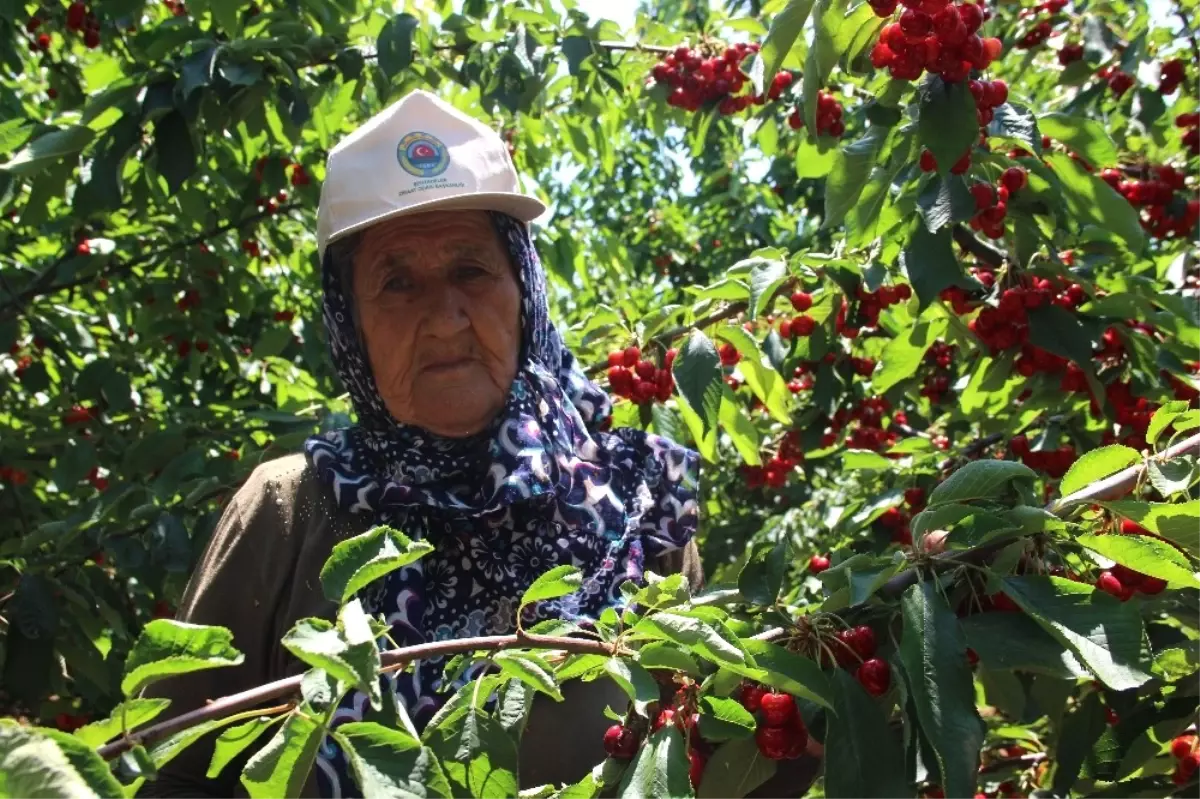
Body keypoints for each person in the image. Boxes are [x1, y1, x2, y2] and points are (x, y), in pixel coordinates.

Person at [138, 90, 704, 798]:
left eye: (471, 269)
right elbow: (177, 773)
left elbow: (698, 757)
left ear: (524, 291)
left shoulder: (634, 493)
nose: (444, 318)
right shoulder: (291, 509)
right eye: (396, 282)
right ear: (350, 326)